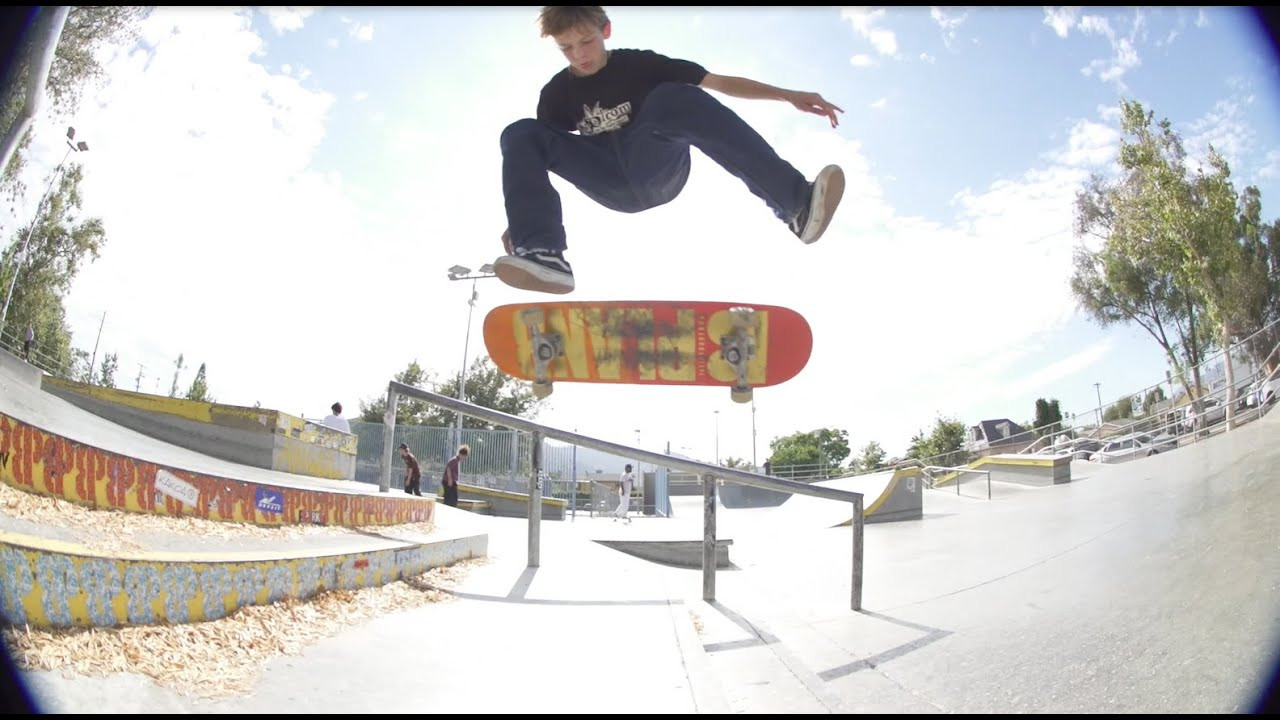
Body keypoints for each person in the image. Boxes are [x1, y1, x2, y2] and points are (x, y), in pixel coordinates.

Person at [493, 5, 846, 295]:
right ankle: (544, 256)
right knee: (520, 132)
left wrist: (787, 94)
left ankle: (796, 204)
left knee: (673, 96)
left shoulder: (642, 64)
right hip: (606, 179)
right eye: (566, 48)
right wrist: (521, 222)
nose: (579, 55)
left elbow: (719, 83)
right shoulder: (555, 94)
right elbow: (535, 160)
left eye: (586, 41)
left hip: (656, 167)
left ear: (606, 31)